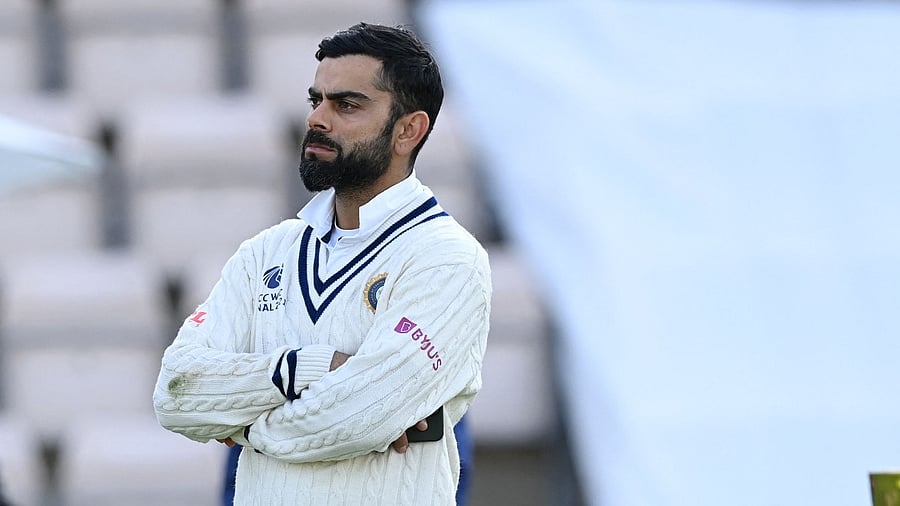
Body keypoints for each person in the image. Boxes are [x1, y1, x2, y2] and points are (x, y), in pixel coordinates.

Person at [153, 22, 491, 506]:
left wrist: (246, 427)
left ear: (408, 130)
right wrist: (303, 370)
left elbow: (360, 415)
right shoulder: (265, 252)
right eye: (317, 100)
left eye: (346, 104)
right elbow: (176, 393)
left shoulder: (447, 258)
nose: (318, 118)